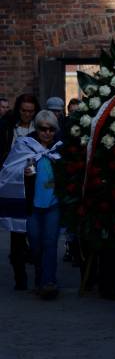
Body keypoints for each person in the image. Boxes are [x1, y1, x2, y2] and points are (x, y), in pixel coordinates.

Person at [0, 110, 62, 298]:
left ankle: (48, 282)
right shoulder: (24, 145)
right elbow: (8, 170)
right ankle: (40, 276)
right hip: (33, 206)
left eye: (51, 129)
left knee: (50, 243)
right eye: (43, 128)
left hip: (53, 204)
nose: (47, 133)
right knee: (35, 244)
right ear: (37, 128)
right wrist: (23, 172)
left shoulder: (60, 148)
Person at [0, 93, 39, 289]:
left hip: (34, 183)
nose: (27, 114)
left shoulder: (38, 127)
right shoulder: (8, 127)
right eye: (24, 111)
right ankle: (20, 278)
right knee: (16, 233)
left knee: (33, 229)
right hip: (13, 183)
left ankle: (39, 273)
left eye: (31, 111)